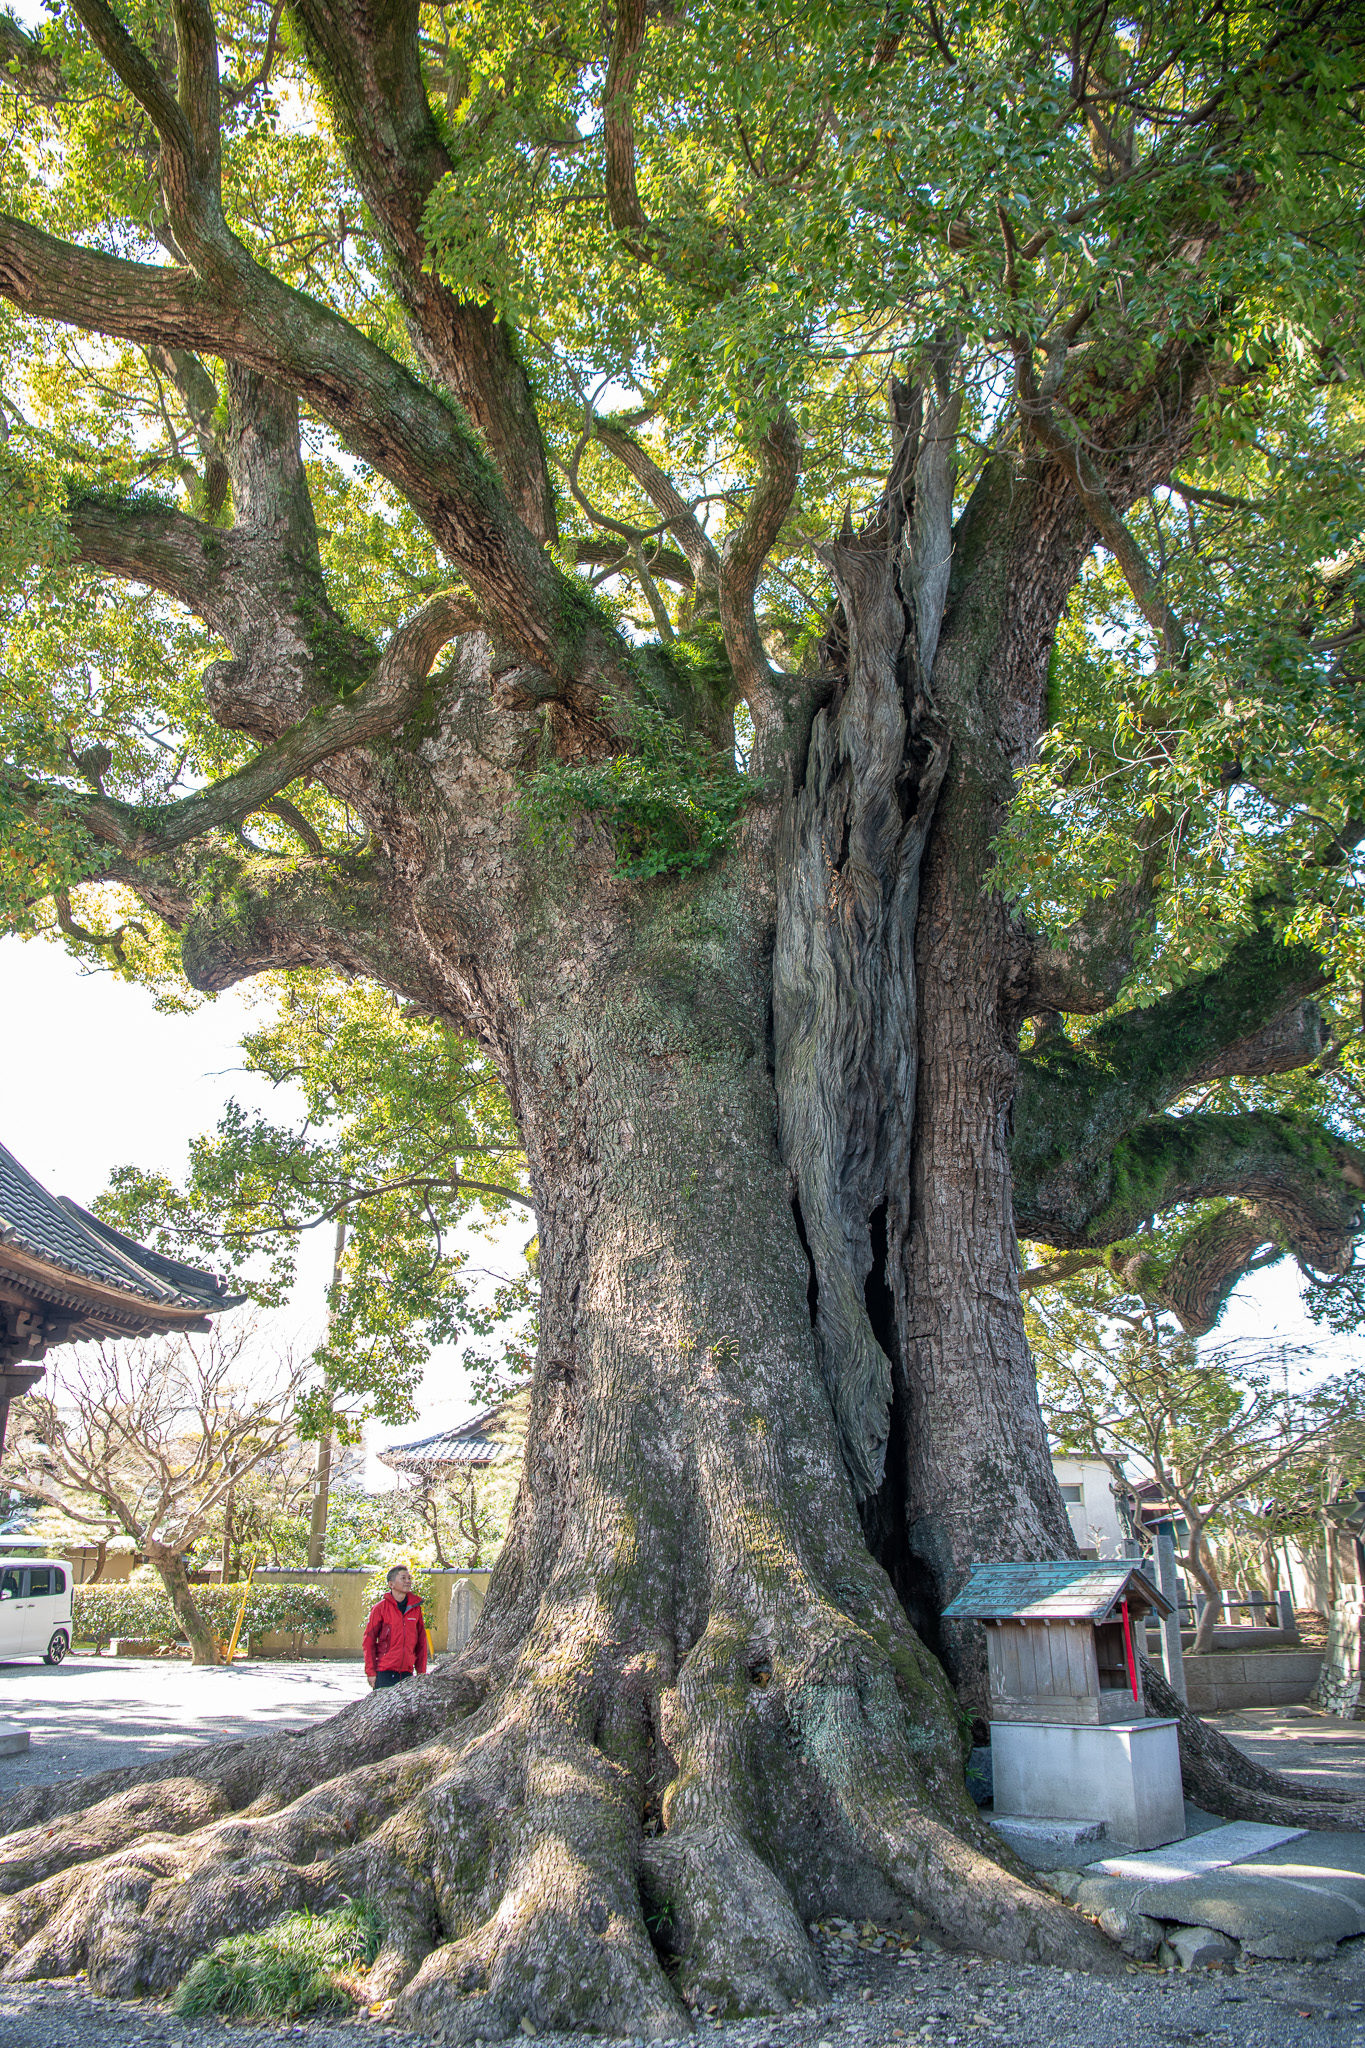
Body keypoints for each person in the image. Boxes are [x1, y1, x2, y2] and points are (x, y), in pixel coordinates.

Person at [362, 1564, 429, 1690]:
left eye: (409, 1578)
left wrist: (421, 1672)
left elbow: (421, 1642)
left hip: (407, 1673)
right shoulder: (380, 1609)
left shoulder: (415, 1608)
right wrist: (370, 1672)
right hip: (385, 1672)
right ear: (391, 1584)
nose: (408, 1581)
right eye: (403, 1578)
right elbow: (368, 1641)